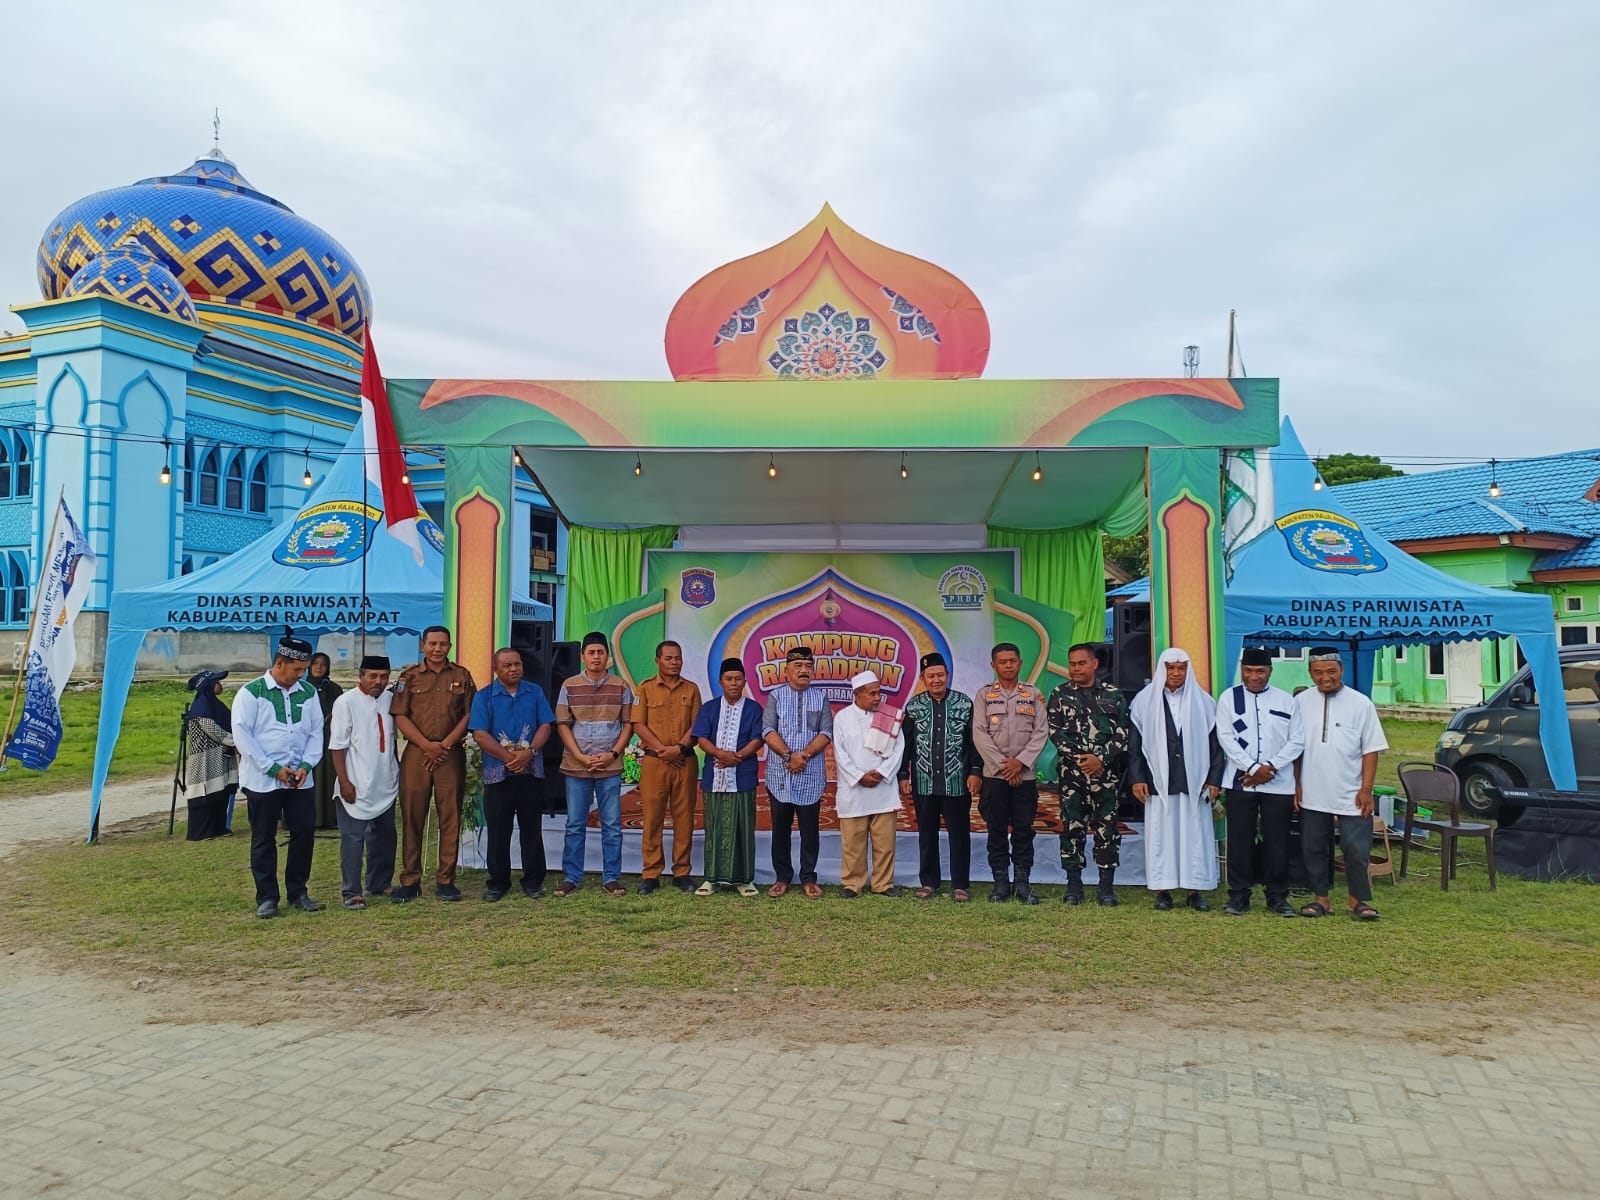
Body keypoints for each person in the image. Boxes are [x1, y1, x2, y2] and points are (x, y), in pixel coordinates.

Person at [231, 637, 325, 918]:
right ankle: (267, 897)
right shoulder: (251, 693)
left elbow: (316, 732)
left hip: (300, 778)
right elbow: (243, 737)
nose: (302, 675)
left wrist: (306, 765)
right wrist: (273, 769)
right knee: (264, 837)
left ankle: (298, 892)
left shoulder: (308, 692)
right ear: (280, 663)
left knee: (304, 833)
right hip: (263, 779)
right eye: (297, 669)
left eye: (304, 670)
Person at [1294, 648, 1388, 921]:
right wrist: (1296, 784)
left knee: (1356, 848)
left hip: (1352, 790)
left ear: (1341, 670)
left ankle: (1358, 901)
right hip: (1312, 788)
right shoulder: (1300, 703)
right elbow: (1295, 748)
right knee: (1313, 846)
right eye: (1318, 673)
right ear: (1310, 673)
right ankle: (1321, 900)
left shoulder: (1361, 703)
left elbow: (1371, 749)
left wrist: (1366, 789)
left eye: (1331, 671)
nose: (1325, 678)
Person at [1129, 648, 1224, 911]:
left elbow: (1216, 746)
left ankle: (1195, 890)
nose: (1176, 673)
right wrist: (1137, 778)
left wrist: (1214, 780)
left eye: (1181, 668)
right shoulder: (1143, 701)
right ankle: (1163, 890)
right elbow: (1134, 746)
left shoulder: (1204, 702)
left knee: (1195, 834)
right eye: (1171, 668)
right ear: (1162, 669)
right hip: (1158, 781)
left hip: (1196, 780)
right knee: (1161, 835)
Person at [1215, 647, 1306, 917]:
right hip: (1240, 781)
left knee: (1277, 841)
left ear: (1270, 672)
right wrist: (1254, 768)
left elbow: (1297, 740)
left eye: (1260, 671)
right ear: (1242, 670)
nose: (1254, 676)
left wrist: (1270, 767)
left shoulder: (1286, 701)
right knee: (1239, 840)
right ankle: (1238, 895)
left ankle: (1277, 896)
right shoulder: (1229, 698)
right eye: (1248, 671)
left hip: (1279, 782)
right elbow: (1225, 737)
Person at [391, 626, 477, 903]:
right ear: (422, 646)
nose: (438, 649)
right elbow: (400, 715)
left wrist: (445, 744)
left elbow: (469, 715)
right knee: (412, 815)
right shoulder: (408, 677)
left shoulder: (462, 675)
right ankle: (410, 879)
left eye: (443, 644)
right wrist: (428, 745)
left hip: (450, 753)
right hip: (418, 753)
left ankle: (445, 880)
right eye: (432, 644)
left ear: (450, 646)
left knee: (450, 816)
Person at [1046, 642, 1131, 906]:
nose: (1076, 668)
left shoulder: (1113, 695)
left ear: (1094, 664)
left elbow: (1123, 732)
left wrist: (1100, 759)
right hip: (1072, 776)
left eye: (1081, 663)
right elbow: (1055, 733)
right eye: (1072, 664)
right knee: (1072, 827)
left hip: (1105, 776)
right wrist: (1083, 760)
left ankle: (1106, 887)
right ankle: (1074, 885)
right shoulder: (1059, 694)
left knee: (1107, 830)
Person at [469, 647, 556, 902]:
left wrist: (529, 753)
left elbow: (545, 725)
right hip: (498, 774)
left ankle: (533, 880)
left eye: (517, 664)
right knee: (498, 830)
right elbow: (480, 734)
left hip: (530, 773)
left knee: (532, 828)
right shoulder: (484, 696)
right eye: (507, 665)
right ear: (496, 669)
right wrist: (510, 758)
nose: (513, 669)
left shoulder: (535, 692)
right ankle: (498, 882)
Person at [554, 631, 634, 897]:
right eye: (591, 653)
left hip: (609, 766)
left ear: (608, 657)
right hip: (576, 766)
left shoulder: (621, 686)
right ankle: (571, 877)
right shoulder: (569, 686)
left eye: (601, 652)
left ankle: (611, 877)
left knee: (611, 826)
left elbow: (628, 725)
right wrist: (579, 756)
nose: (596, 657)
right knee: (575, 824)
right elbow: (563, 725)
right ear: (582, 657)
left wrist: (612, 754)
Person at [972, 642, 1050, 904]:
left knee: (1023, 830)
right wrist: (1005, 766)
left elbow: (1041, 732)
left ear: (1020, 663)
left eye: (1012, 661)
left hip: (1024, 777)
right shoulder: (984, 695)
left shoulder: (1033, 694)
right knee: (996, 829)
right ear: (993, 665)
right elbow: (979, 734)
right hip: (995, 777)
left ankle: (1022, 882)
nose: (1008, 666)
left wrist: (1021, 763)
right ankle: (1001, 882)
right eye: (1003, 661)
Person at [898, 652, 980, 902]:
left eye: (940, 675)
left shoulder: (964, 703)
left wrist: (975, 772)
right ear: (923, 678)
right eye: (931, 676)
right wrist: (903, 775)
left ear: (948, 675)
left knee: (959, 834)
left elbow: (974, 742)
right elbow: (906, 744)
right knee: (927, 834)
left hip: (957, 782)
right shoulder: (914, 706)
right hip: (924, 782)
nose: (936, 680)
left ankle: (960, 885)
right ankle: (929, 882)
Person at [327, 655, 399, 909]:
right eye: (372, 676)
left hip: (385, 780)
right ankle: (352, 891)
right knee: (353, 839)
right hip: (355, 781)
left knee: (385, 836)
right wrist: (344, 781)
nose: (378, 681)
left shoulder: (391, 699)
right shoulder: (345, 702)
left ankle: (379, 882)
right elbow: (337, 746)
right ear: (361, 676)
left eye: (383, 676)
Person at [761, 646, 834, 898]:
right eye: (798, 666)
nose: (804, 671)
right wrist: (788, 756)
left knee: (809, 831)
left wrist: (804, 756)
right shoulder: (776, 696)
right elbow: (768, 730)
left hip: (810, 774)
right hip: (780, 775)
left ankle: (808, 878)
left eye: (808, 666)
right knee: (780, 829)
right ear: (786, 671)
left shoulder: (821, 697)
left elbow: (826, 732)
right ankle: (782, 877)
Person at [632, 640, 703, 894]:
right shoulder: (645, 689)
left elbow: (697, 725)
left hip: (684, 761)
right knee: (652, 818)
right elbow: (638, 724)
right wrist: (663, 750)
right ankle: (651, 873)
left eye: (678, 658)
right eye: (669, 658)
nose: (674, 662)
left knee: (684, 818)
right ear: (657, 661)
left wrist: (679, 748)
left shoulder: (691, 689)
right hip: (655, 761)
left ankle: (682, 872)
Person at [690, 658, 764, 896]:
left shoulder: (754, 709)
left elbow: (758, 739)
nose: (733, 683)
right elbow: (701, 738)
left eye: (738, 679)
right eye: (729, 679)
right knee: (713, 827)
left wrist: (737, 757)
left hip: (743, 776)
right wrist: (720, 754)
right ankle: (711, 879)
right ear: (720, 681)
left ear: (744, 681)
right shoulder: (710, 708)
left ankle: (745, 880)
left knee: (743, 827)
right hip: (715, 776)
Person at [833, 670, 907, 898]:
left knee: (885, 843)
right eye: (872, 694)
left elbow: (899, 749)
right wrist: (859, 776)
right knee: (852, 843)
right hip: (854, 789)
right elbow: (840, 754)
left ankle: (883, 883)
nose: (877, 698)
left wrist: (882, 773)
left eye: (878, 693)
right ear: (857, 694)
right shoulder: (842, 718)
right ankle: (852, 884)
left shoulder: (890, 715)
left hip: (883, 788)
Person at [307, 652, 344, 829]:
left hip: (328, 738)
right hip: (307, 739)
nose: (319, 667)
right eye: (315, 663)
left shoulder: (334, 689)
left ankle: (328, 818)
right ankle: (307, 817)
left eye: (323, 664)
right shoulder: (302, 688)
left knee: (327, 776)